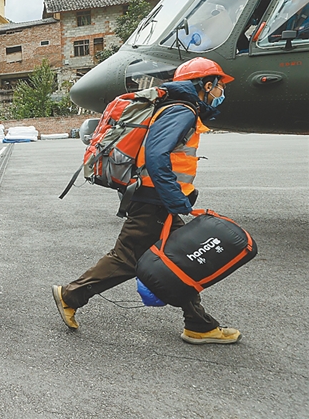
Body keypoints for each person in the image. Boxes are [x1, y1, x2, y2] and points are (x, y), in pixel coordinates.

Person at [52, 57, 241, 345]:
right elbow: (155, 156)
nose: (220, 93)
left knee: (181, 261)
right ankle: (70, 295)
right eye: (218, 86)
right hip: (155, 200)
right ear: (205, 84)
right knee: (128, 258)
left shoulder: (176, 107)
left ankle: (198, 324)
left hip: (155, 198)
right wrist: (175, 198)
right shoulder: (182, 110)